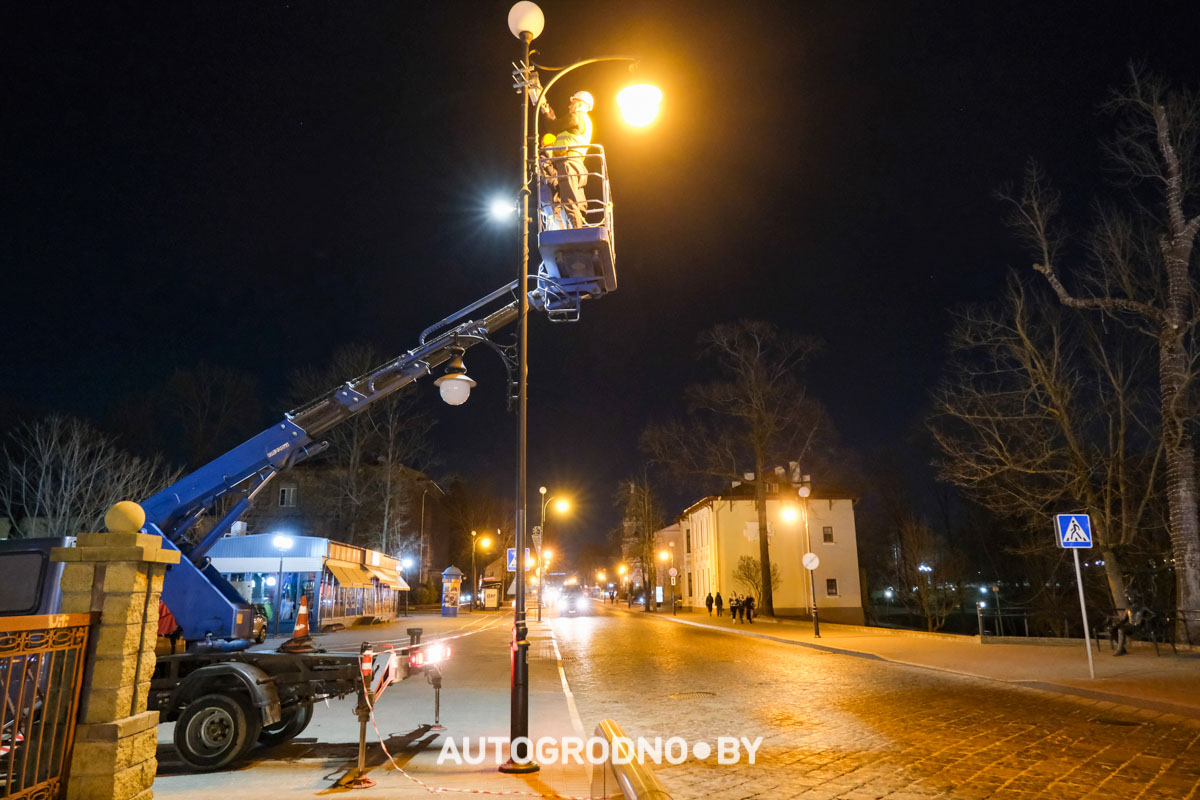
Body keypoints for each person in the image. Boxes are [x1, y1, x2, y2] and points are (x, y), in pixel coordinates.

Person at [540, 90, 593, 229]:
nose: (569, 107)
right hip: (577, 164)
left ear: (580, 104)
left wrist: (545, 114)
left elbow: (554, 126)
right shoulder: (583, 121)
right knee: (578, 201)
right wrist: (550, 113)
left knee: (569, 200)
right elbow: (559, 127)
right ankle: (579, 227)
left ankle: (576, 231)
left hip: (568, 163)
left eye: (572, 103)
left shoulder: (577, 117)